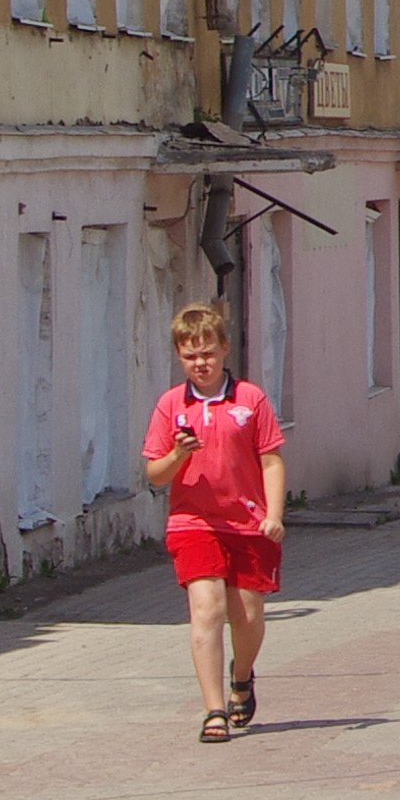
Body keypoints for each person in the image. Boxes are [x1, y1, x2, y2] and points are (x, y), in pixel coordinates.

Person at [143, 301, 286, 743]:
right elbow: (154, 474)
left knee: (248, 616)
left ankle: (241, 677)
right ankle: (214, 710)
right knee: (208, 608)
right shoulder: (172, 405)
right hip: (193, 522)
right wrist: (178, 454)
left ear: (224, 348)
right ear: (179, 357)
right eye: (190, 356)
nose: (200, 363)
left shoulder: (250, 399)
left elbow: (271, 460)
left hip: (247, 522)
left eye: (207, 353)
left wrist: (275, 515)